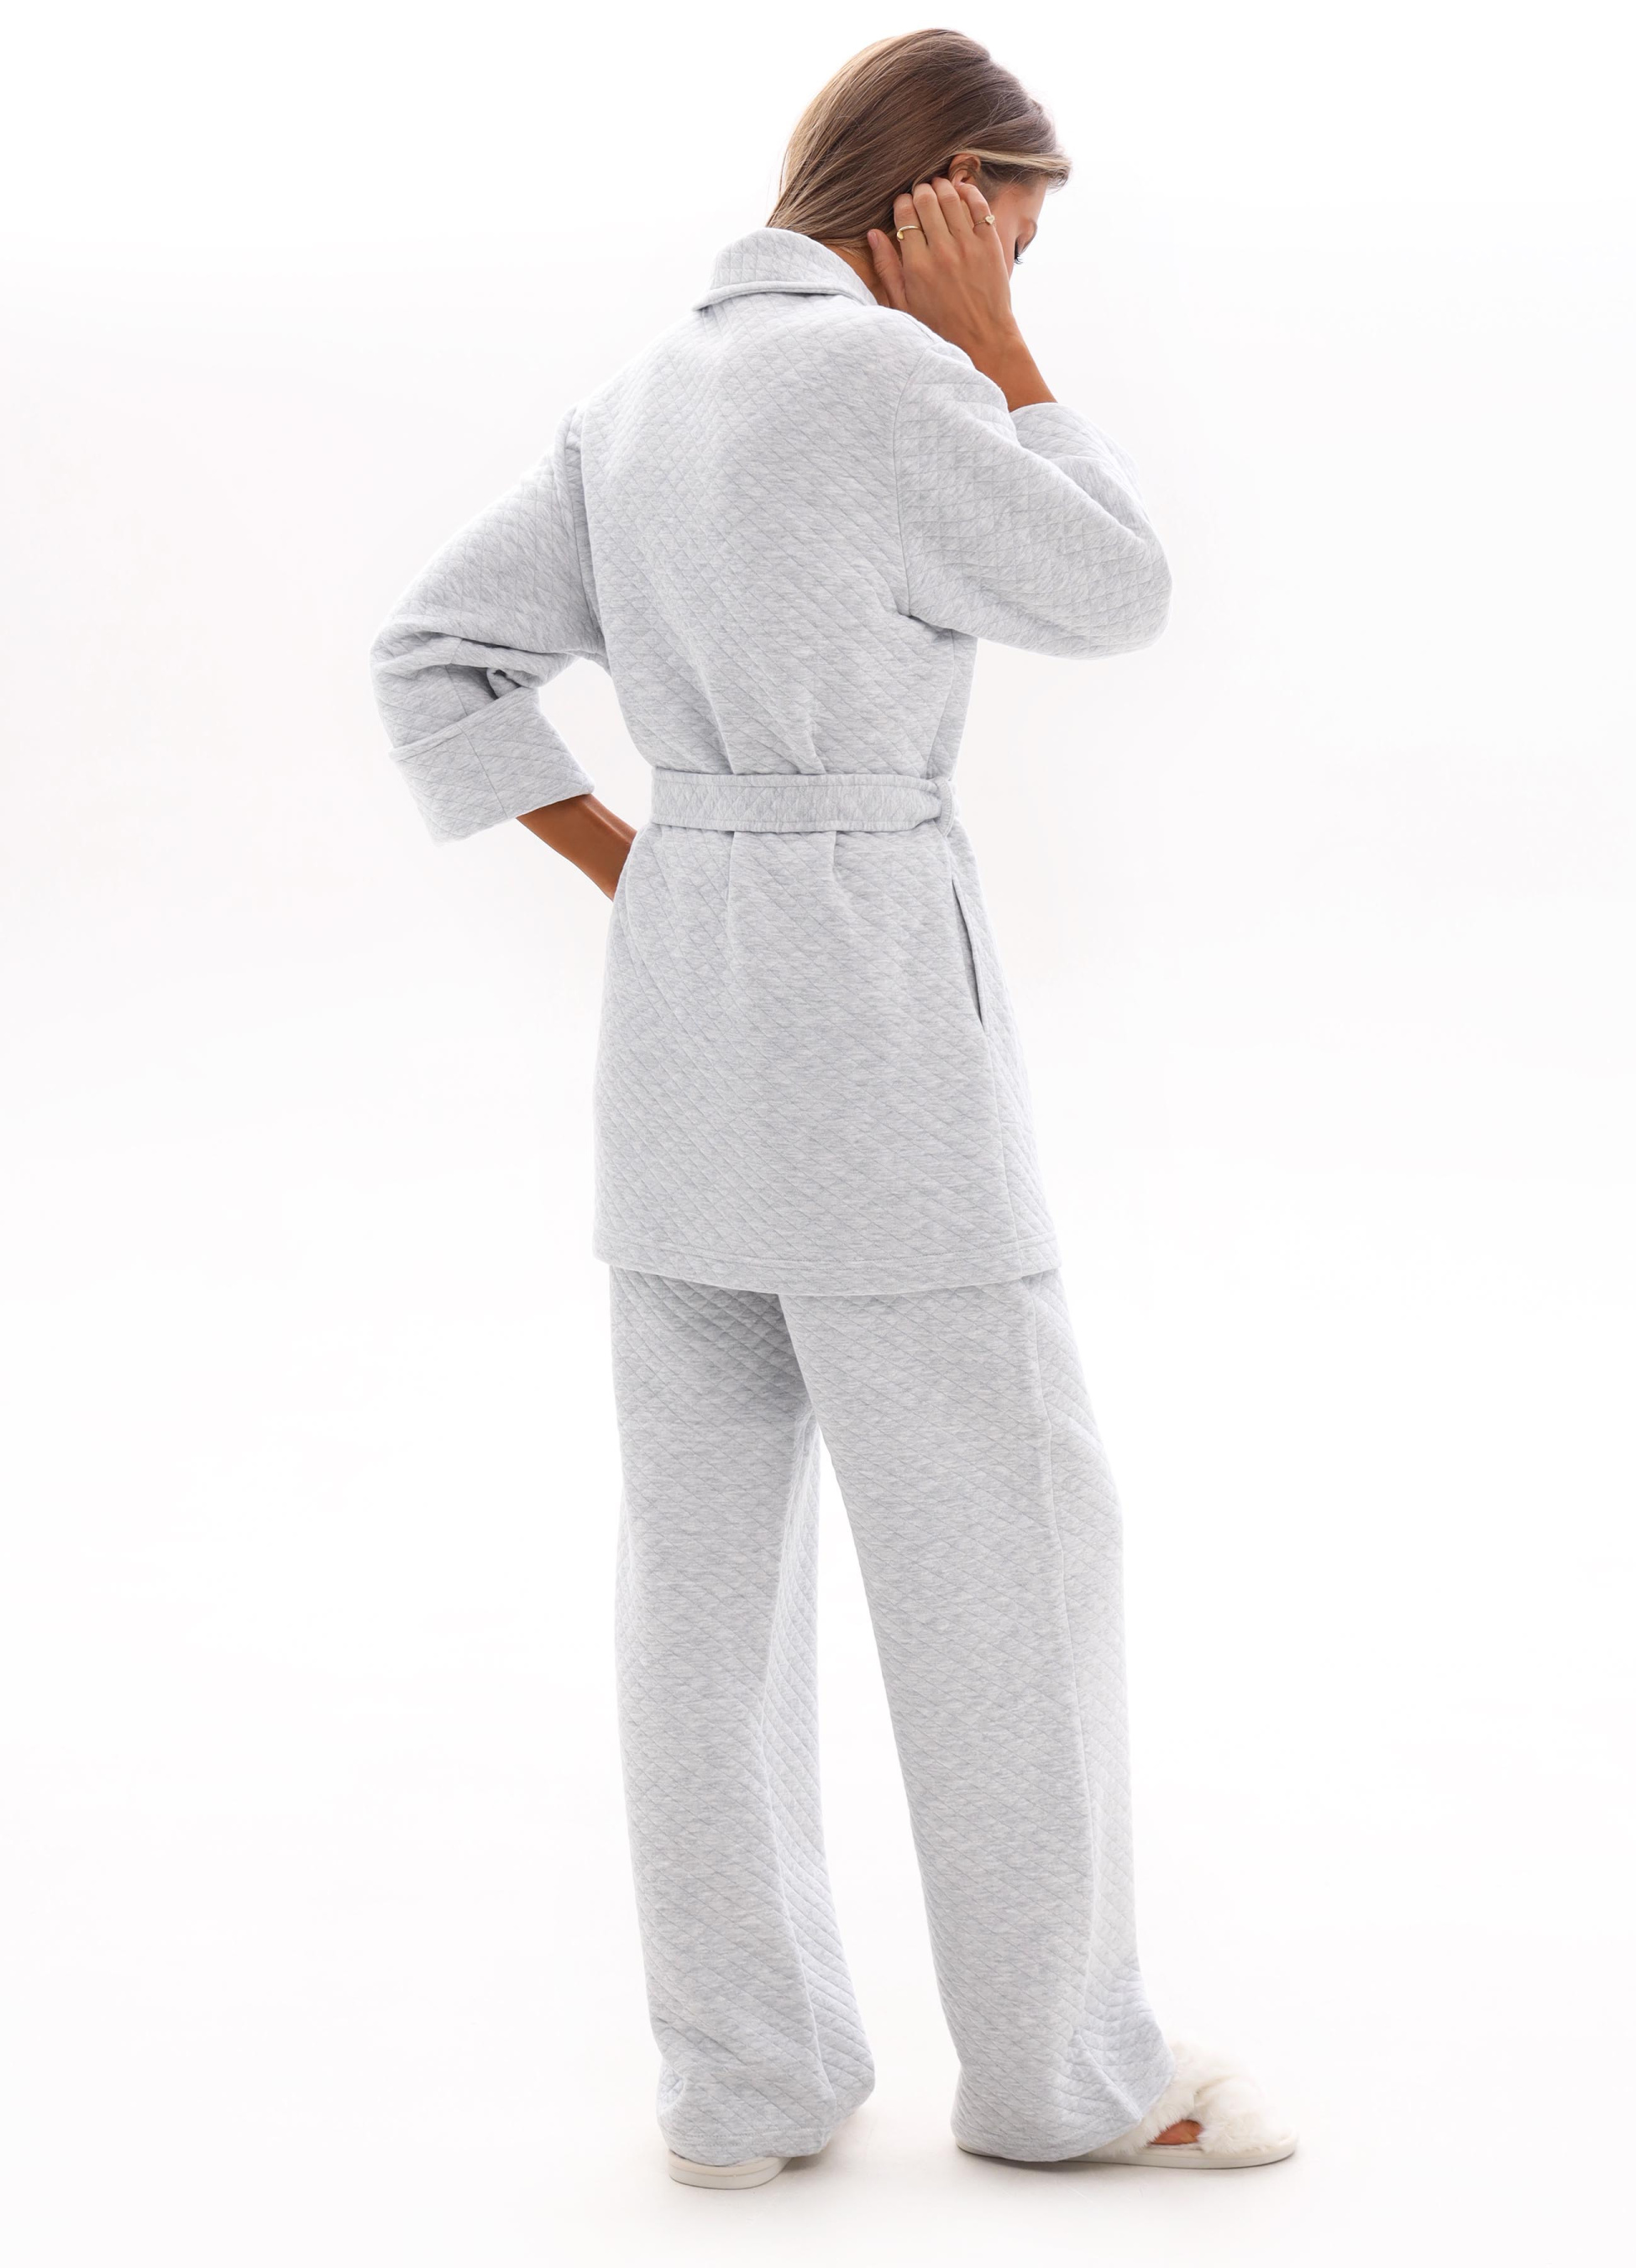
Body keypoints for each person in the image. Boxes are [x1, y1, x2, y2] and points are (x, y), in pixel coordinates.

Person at [370, 29, 1296, 2191]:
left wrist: (641, 864)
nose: (1010, 280)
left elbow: (431, 652)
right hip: (863, 1018)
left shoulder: (639, 396)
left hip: (680, 1025)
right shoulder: (890, 377)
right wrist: (1006, 355)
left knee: (702, 1583)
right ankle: (1068, 2078)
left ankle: (741, 2084)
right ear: (945, 197)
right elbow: (1116, 590)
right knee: (1005, 1550)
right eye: (1011, 236)